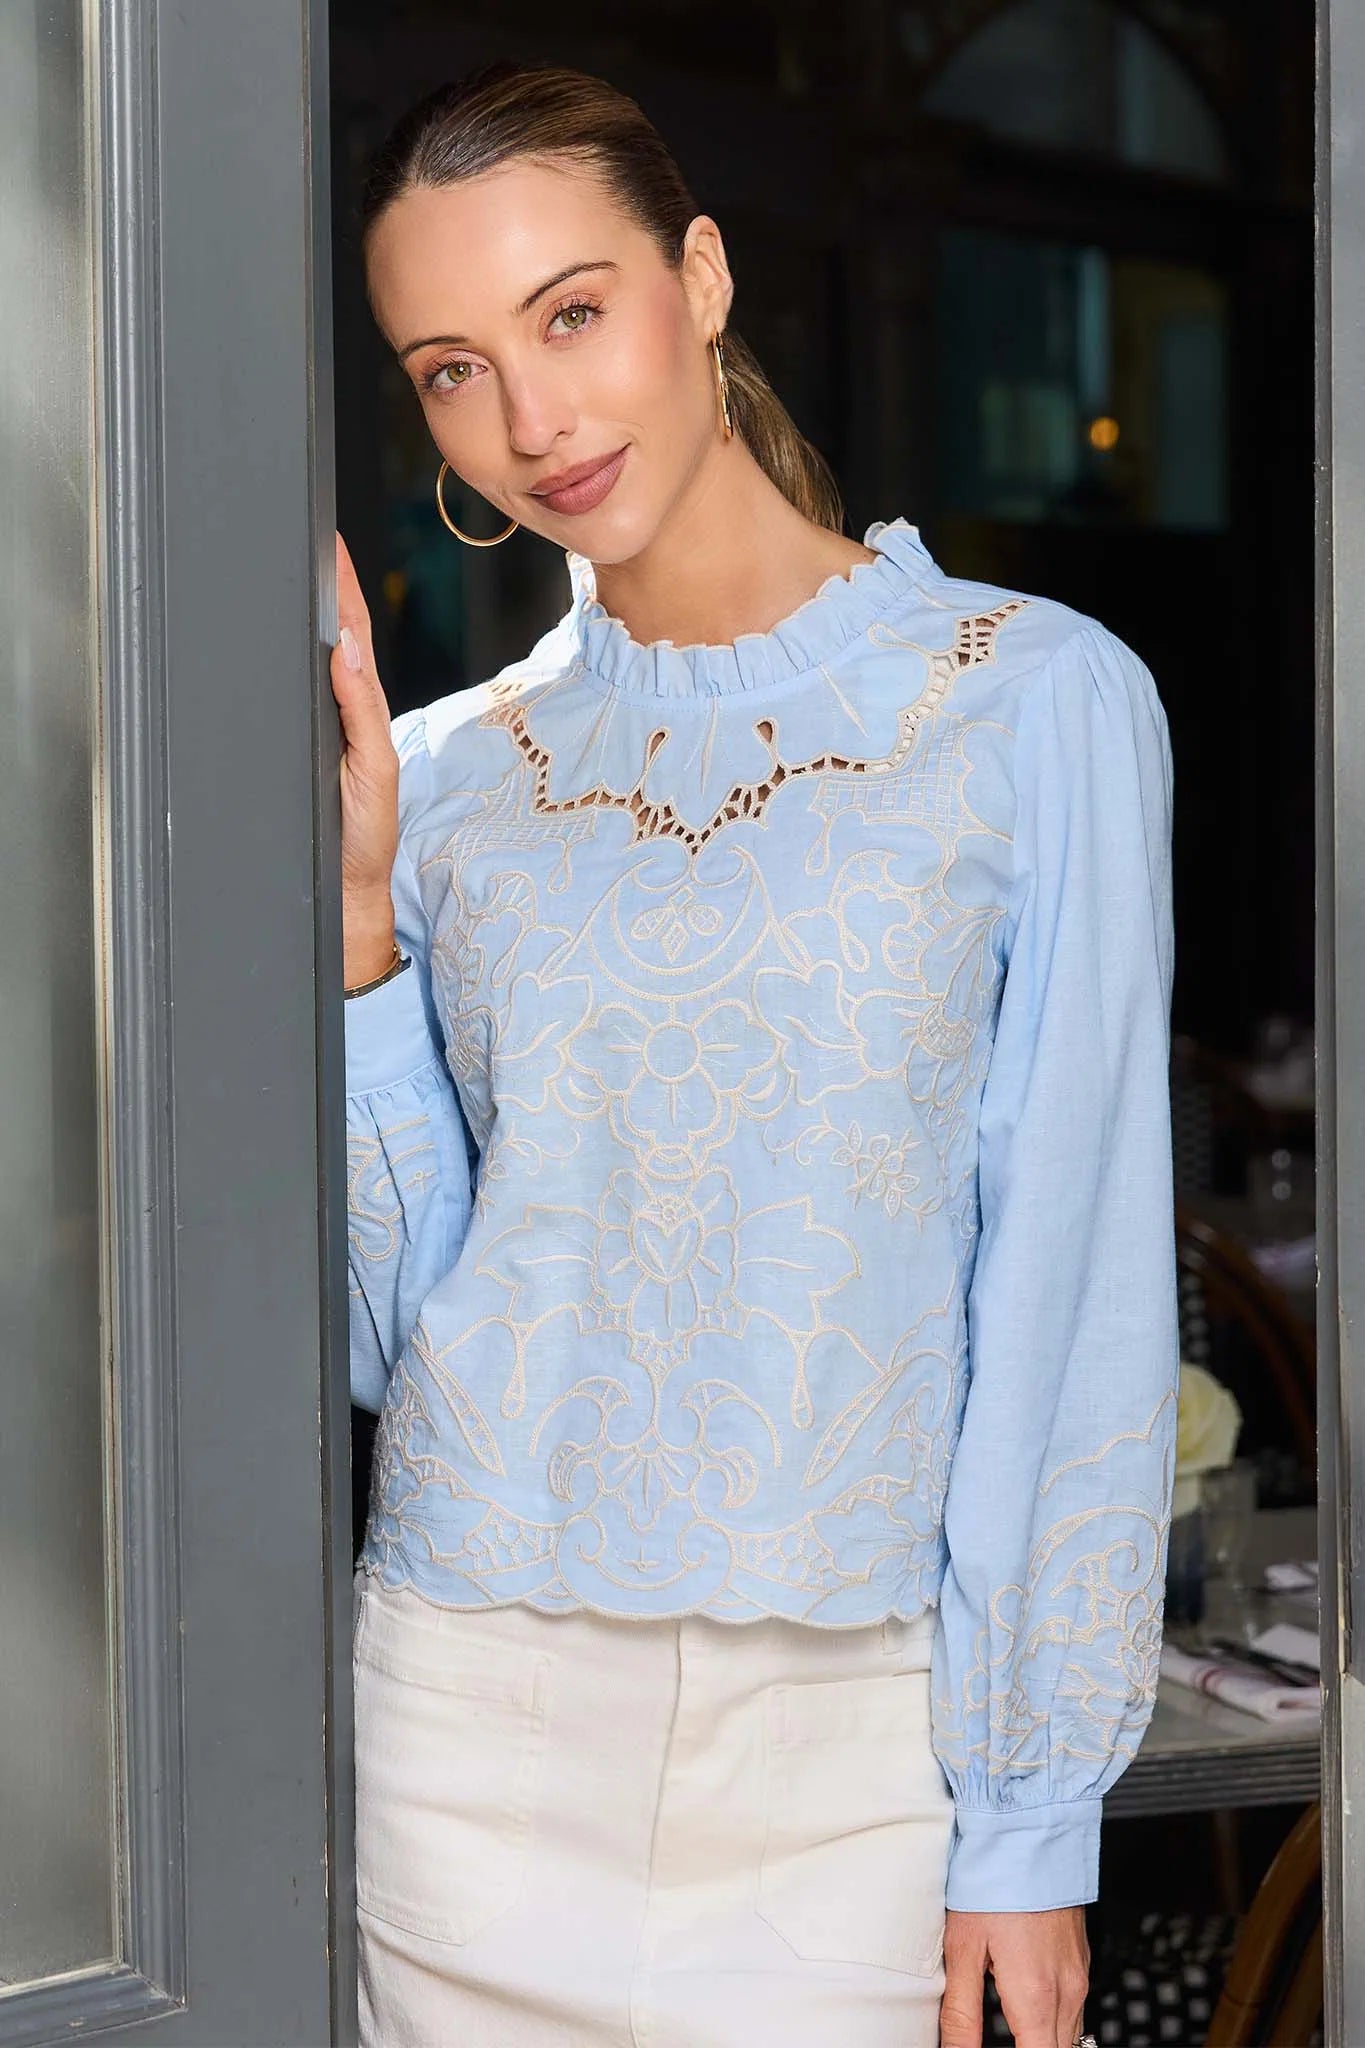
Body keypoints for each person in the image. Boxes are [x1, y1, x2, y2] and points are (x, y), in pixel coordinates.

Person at [334, 57, 1176, 2048]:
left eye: (570, 314)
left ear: (698, 278)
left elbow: (1068, 1286)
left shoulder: (1032, 703)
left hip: (849, 1764)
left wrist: (1027, 1818)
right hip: (460, 1738)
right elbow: (397, 1343)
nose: (532, 420)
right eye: (452, 369)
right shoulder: (443, 785)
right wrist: (360, 938)